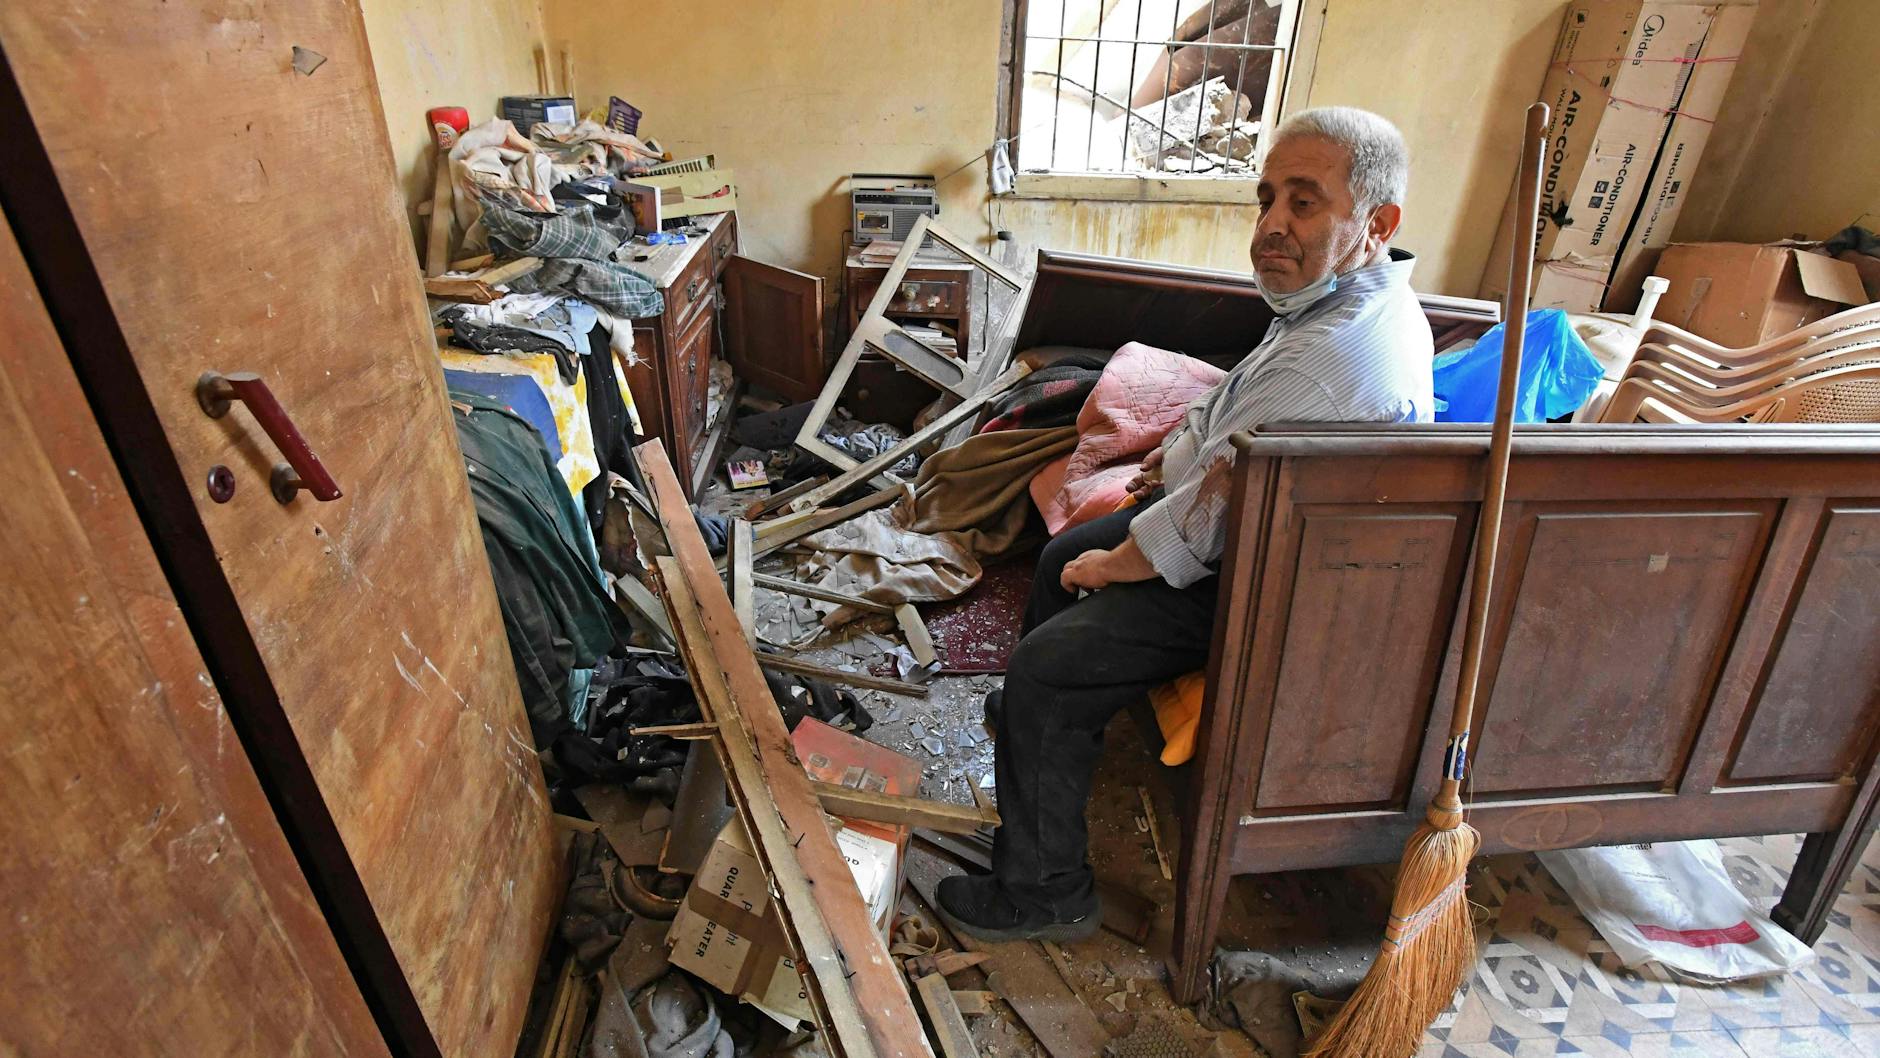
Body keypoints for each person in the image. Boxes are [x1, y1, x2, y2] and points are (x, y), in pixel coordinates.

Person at [935, 106, 1436, 942]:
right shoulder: (1331, 303)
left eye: (1304, 203)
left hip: (1267, 582)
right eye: (1267, 199)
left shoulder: (1336, 356)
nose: (1272, 225)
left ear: (1376, 225)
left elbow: (1209, 523)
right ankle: (1042, 733)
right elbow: (1225, 413)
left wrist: (1119, 563)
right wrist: (1167, 459)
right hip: (1257, 530)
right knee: (1062, 554)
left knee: (1050, 666)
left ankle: (1046, 891)